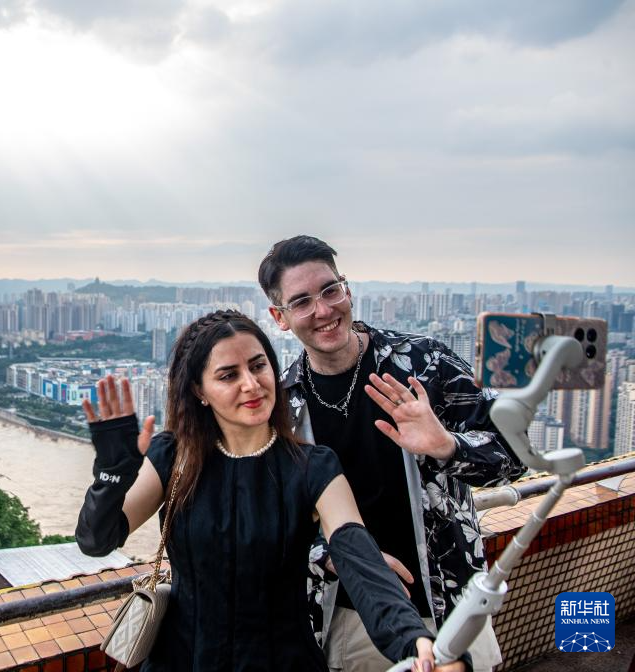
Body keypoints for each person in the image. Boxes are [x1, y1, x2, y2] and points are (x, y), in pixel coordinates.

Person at [76, 310, 466, 672]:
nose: (251, 384)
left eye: (258, 365)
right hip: (181, 660)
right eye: (228, 375)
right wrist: (112, 473)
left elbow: (358, 559)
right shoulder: (173, 457)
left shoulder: (312, 466)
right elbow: (98, 539)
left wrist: (414, 640)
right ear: (199, 390)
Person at [258, 236, 526, 672]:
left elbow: (515, 453)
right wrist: (335, 556)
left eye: (330, 290)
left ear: (347, 290)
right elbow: (271, 519)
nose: (323, 310)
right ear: (280, 318)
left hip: (448, 602)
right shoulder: (285, 405)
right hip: (352, 616)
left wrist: (448, 446)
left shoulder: (423, 364)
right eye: (302, 301)